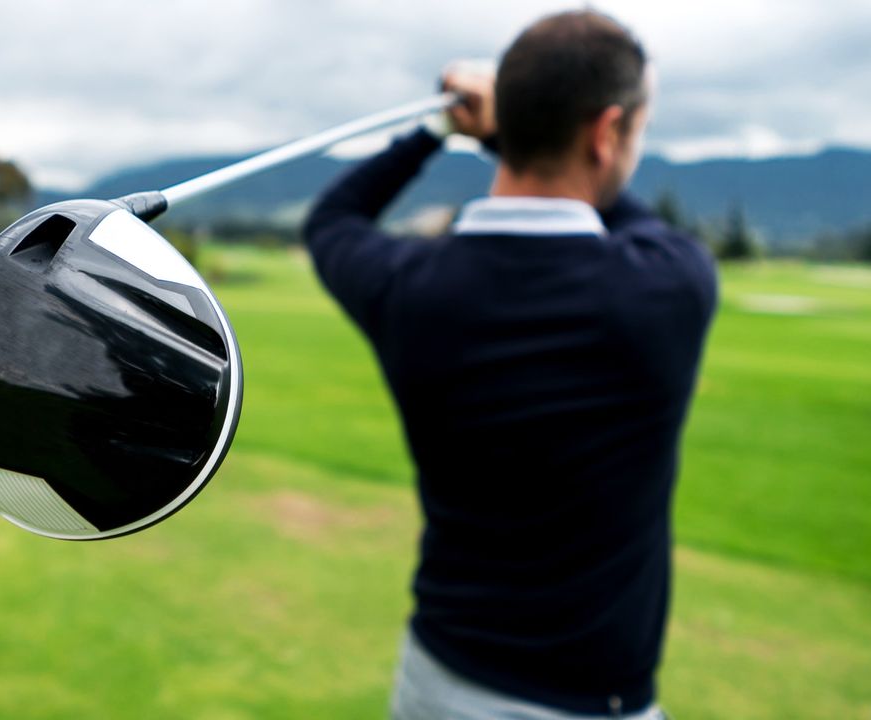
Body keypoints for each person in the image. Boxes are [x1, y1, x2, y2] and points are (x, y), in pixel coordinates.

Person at [302, 10, 716, 720]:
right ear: (606, 131)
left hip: (435, 679)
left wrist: (440, 128)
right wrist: (504, 129)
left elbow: (333, 220)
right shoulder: (669, 285)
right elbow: (626, 214)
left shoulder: (410, 285)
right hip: (590, 704)